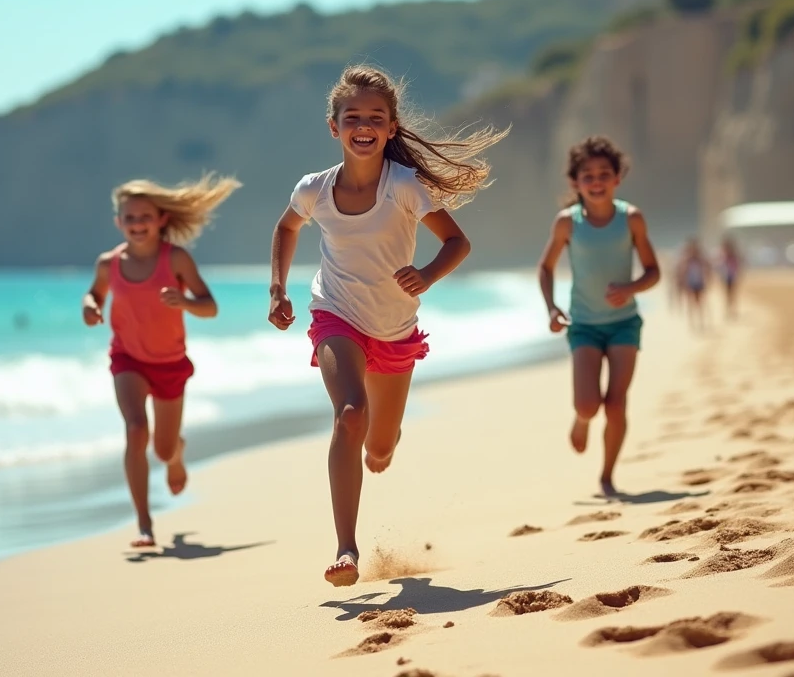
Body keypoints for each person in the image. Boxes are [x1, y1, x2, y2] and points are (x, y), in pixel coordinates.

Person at [267, 64, 507, 587]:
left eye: (376, 116)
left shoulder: (403, 186)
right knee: (350, 415)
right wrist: (278, 289)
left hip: (395, 328)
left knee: (378, 447)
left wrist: (426, 275)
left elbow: (457, 242)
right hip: (336, 313)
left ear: (391, 127)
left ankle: (385, 440)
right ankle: (346, 548)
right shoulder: (314, 190)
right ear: (334, 126)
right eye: (352, 115)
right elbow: (287, 228)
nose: (364, 124)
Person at [83, 175, 239, 548]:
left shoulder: (176, 259)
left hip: (170, 363)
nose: (137, 224)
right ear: (119, 222)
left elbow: (210, 306)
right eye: (129, 218)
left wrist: (185, 302)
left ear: (161, 220)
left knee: (164, 448)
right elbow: (93, 294)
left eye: (144, 217)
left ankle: (176, 455)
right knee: (136, 430)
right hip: (127, 360)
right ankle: (144, 524)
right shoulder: (109, 263)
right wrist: (90, 308)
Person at [537, 136, 660, 497]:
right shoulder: (567, 223)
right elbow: (545, 268)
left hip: (624, 324)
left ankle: (607, 476)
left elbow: (653, 271)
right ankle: (581, 419)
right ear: (575, 182)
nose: (596, 181)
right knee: (589, 404)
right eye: (587, 175)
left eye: (604, 174)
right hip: (585, 326)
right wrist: (552, 308)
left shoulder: (631, 218)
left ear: (617, 178)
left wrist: (631, 288)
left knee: (617, 403)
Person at [680, 239, 711, 331]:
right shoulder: (688, 260)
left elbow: (707, 269)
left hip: (698, 283)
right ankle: (693, 324)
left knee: (699, 303)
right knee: (691, 304)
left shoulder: (700, 259)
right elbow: (683, 272)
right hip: (691, 283)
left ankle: (700, 323)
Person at [719, 236, 741, 320]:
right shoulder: (724, 255)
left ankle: (731, 310)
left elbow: (736, 266)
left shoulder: (732, 255)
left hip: (731, 276)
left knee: (731, 294)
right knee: (728, 294)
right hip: (726, 276)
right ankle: (729, 310)